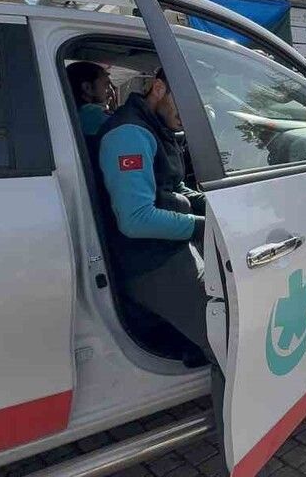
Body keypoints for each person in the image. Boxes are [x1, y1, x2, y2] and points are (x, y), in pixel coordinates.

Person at [96, 68, 224, 440]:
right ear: (159, 88)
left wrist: (223, 206)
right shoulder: (129, 134)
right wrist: (205, 226)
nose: (196, 113)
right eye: (188, 102)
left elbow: (176, 189)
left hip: (170, 251)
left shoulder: (158, 127)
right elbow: (136, 220)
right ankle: (241, 439)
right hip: (148, 263)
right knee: (229, 338)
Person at [67, 61, 114, 136]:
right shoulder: (92, 113)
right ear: (87, 88)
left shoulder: (70, 113)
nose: (110, 92)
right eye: (106, 85)